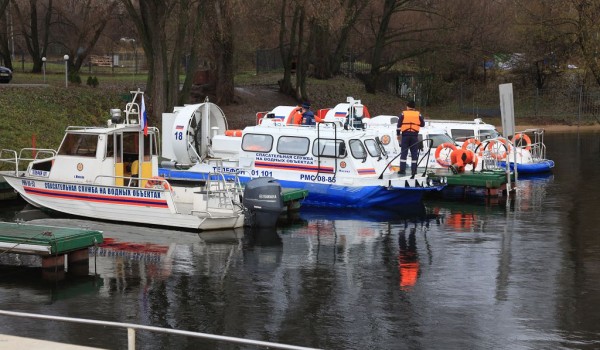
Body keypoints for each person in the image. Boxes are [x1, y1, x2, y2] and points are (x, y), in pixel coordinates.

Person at [396, 100, 424, 175]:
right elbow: (422, 124)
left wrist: (398, 135)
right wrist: (415, 124)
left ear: (407, 107)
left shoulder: (403, 114)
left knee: (404, 153)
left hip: (405, 136)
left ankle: (402, 170)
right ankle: (414, 170)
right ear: (414, 107)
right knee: (414, 153)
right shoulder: (418, 114)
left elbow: (398, 125)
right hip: (414, 136)